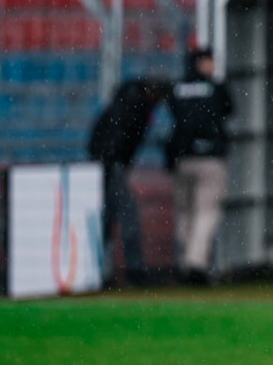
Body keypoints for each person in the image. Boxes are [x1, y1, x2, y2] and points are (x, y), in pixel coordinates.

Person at [87, 76, 164, 286]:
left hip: (106, 164)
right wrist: (113, 164)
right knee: (127, 214)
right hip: (112, 165)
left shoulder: (124, 102)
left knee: (108, 217)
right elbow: (118, 139)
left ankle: (97, 269)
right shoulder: (135, 108)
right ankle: (133, 270)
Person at [167, 47, 234, 286]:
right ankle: (196, 264)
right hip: (210, 158)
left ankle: (185, 263)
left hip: (182, 157)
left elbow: (174, 112)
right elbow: (228, 109)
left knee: (185, 213)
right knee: (207, 213)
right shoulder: (215, 87)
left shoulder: (177, 88)